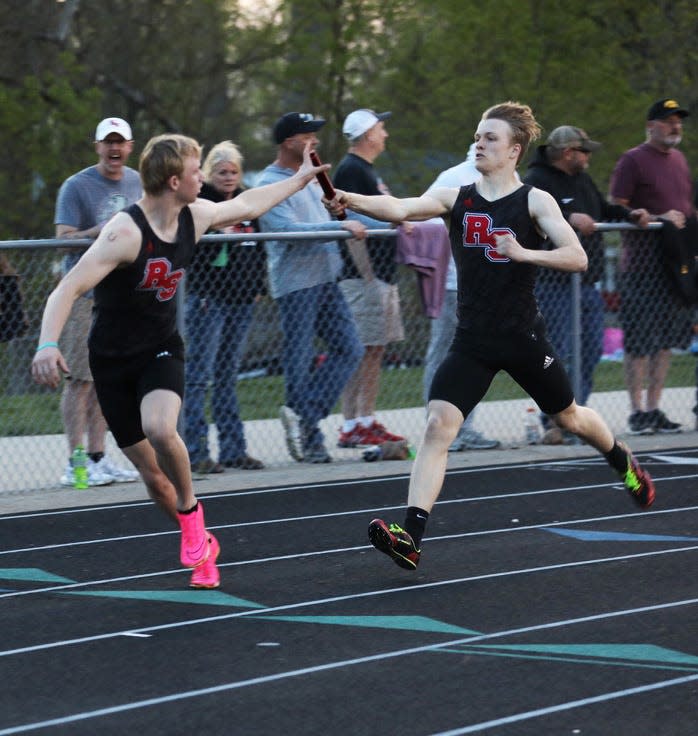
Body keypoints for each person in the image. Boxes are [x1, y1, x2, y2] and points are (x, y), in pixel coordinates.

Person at [325, 101, 655, 571]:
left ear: (514, 151)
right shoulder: (455, 195)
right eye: (478, 135)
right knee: (439, 424)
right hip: (473, 340)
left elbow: (577, 257)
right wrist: (349, 198)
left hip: (523, 339)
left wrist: (524, 253)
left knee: (569, 418)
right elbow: (400, 207)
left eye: (490, 138)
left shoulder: (535, 200)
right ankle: (410, 536)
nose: (479, 143)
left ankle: (621, 459)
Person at [32, 133, 331, 588]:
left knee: (160, 427)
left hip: (161, 348)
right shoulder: (124, 232)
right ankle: (203, 551)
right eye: (197, 172)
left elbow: (250, 204)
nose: (205, 179)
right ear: (175, 181)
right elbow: (67, 288)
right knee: (152, 477)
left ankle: (192, 514)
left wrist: (304, 178)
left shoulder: (196, 215)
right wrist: (47, 344)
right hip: (112, 361)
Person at [524, 125, 651, 444]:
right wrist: (568, 217)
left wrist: (629, 214)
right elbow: (529, 215)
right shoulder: (536, 182)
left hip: (586, 283)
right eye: (584, 151)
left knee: (591, 350)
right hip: (553, 284)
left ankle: (575, 416)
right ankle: (553, 420)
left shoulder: (581, 179)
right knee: (557, 353)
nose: (588, 157)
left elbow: (602, 209)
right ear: (568, 153)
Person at [257, 112, 366, 463]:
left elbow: (334, 215)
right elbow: (286, 230)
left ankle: (304, 416)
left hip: (326, 277)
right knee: (299, 358)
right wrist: (339, 229)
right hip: (295, 284)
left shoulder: (316, 178)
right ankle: (310, 438)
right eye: (308, 135)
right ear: (289, 141)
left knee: (350, 347)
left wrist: (340, 216)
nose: (314, 142)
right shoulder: (268, 182)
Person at [54, 117, 143, 486]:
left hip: (120, 297)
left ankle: (99, 457)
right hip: (82, 294)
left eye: (120, 143)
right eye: (107, 143)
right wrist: (105, 231)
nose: (114, 149)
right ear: (97, 147)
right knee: (79, 380)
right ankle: (76, 465)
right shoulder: (77, 186)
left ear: (130, 146)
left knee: (106, 380)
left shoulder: (138, 181)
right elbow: (63, 238)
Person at [610, 98, 694, 435]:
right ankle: (637, 410)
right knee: (640, 342)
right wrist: (656, 219)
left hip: (674, 265)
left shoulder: (680, 160)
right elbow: (617, 205)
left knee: (665, 342)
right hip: (641, 266)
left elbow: (684, 208)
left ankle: (655, 407)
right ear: (650, 126)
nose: (675, 126)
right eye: (667, 120)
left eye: (678, 121)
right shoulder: (632, 160)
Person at [184, 141, 265, 473]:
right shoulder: (203, 205)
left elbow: (258, 249)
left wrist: (259, 286)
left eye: (233, 172)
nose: (229, 177)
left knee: (227, 376)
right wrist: (218, 228)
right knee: (198, 376)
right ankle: (195, 450)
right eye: (222, 172)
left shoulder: (246, 203)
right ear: (208, 173)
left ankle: (234, 449)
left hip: (242, 301)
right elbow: (190, 254)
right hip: (209, 300)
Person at [332, 109, 406, 448]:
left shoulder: (367, 170)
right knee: (362, 349)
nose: (386, 134)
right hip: (364, 277)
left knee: (375, 350)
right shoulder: (351, 170)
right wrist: (367, 277)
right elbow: (350, 229)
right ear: (367, 134)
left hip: (380, 275)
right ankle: (353, 423)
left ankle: (365, 418)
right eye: (381, 128)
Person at [423, 143, 500, 451]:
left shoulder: (506, 180)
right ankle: (437, 427)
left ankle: (465, 427)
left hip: (487, 287)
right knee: (443, 356)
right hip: (453, 284)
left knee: (477, 359)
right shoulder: (454, 177)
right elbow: (423, 216)